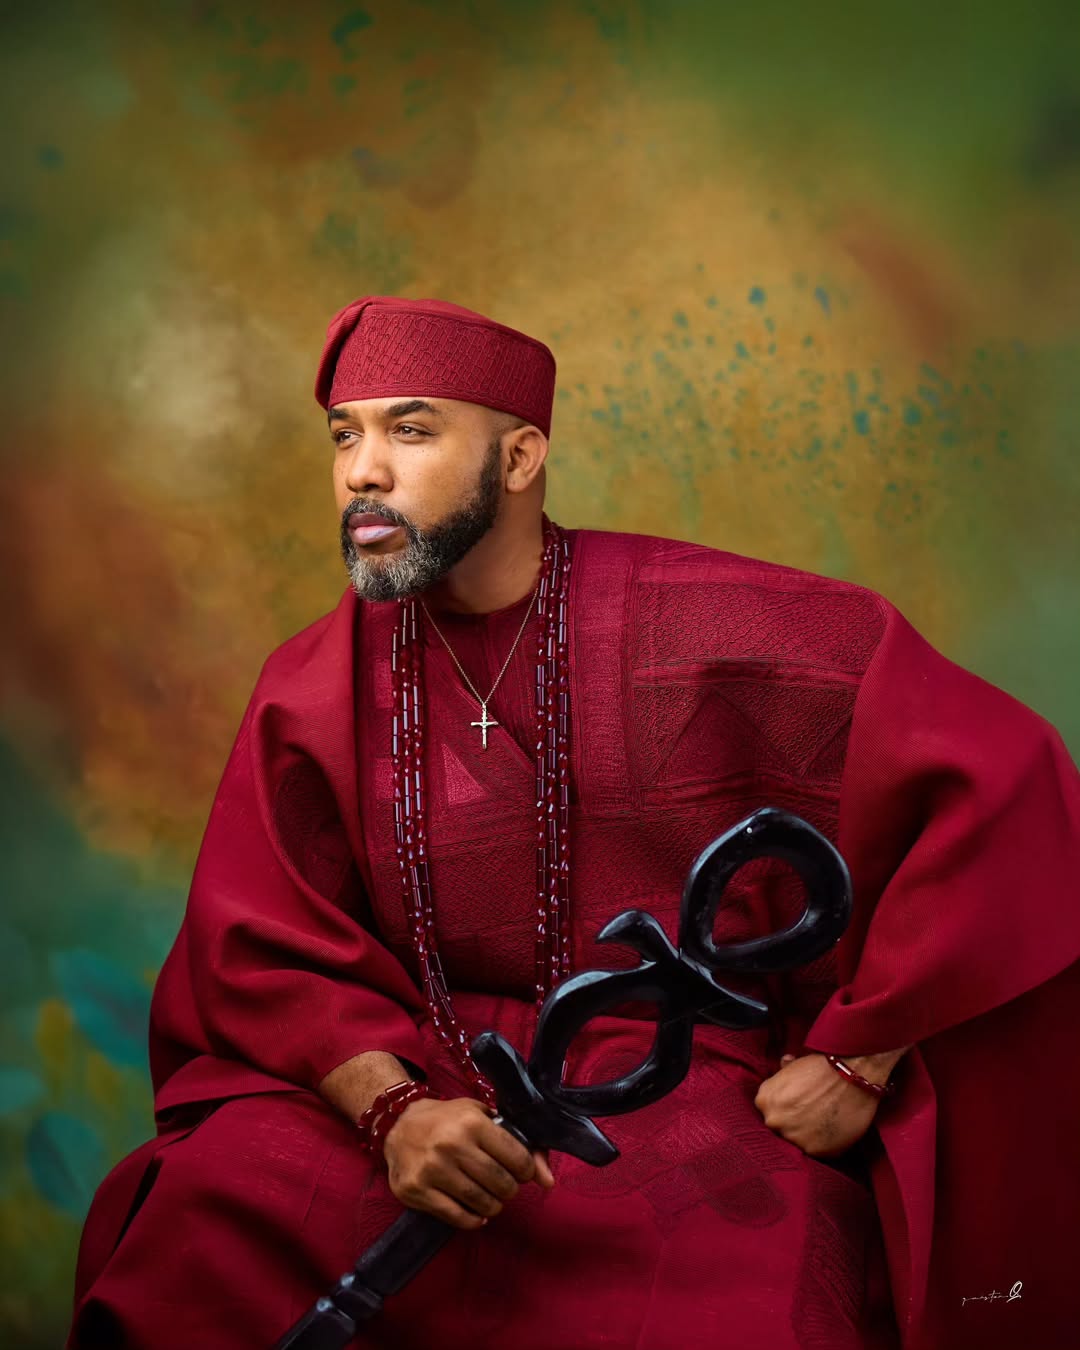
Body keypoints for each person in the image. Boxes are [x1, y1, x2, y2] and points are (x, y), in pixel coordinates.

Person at [68, 296, 1080, 1350]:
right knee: (204, 1214)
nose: (361, 470)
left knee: (758, 1292)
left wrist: (856, 1060)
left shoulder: (714, 621)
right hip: (416, 1079)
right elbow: (262, 948)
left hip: (678, 1093)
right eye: (344, 435)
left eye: (410, 431)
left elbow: (1008, 784)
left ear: (518, 458)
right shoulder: (310, 687)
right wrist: (394, 1112)